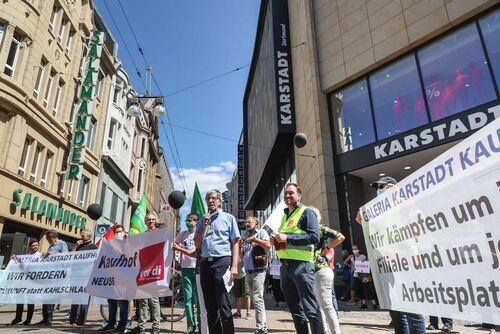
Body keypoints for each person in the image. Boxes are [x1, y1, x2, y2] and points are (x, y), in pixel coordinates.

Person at [356, 176, 426, 334]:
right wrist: (362, 221)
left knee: (412, 307)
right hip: (386, 261)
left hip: (406, 259)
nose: (379, 190)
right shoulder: (377, 210)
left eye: (383, 187)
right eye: (378, 188)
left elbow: (420, 218)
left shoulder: (402, 201)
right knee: (396, 308)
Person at [272, 183, 324, 334]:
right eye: (286, 194)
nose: (287, 196)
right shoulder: (284, 216)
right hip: (285, 267)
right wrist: (276, 240)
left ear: (299, 196)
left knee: (310, 308)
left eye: (291, 193)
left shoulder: (306, 212)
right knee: (295, 310)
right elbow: (284, 241)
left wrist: (287, 238)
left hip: (302, 266)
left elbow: (314, 237)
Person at [194, 189, 240, 334]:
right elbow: (196, 243)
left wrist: (234, 266)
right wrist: (204, 226)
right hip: (205, 264)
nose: (211, 201)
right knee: (210, 307)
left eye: (214, 198)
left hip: (222, 262)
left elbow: (235, 242)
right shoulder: (202, 220)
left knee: (223, 304)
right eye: (208, 198)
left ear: (220, 201)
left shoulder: (228, 218)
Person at [310, 207, 344, 334]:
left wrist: (327, 248)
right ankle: (323, 330)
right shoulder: (305, 232)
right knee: (319, 305)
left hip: (322, 270)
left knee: (327, 305)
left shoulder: (320, 228)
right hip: (313, 271)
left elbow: (340, 237)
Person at [131, 213, 161, 334]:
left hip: (154, 271)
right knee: (143, 301)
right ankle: (142, 326)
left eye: (153, 219)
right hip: (143, 271)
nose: (151, 221)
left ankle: (156, 327)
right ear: (145, 221)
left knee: (154, 301)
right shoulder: (142, 235)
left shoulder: (159, 233)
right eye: (148, 220)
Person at [241, 216, 271, 334]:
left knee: (258, 299)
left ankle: (261, 328)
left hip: (259, 271)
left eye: (249, 221)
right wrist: (240, 245)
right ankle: (263, 325)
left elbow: (268, 245)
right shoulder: (245, 237)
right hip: (248, 271)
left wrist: (254, 240)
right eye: (246, 222)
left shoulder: (261, 232)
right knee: (255, 299)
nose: (247, 223)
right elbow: (242, 256)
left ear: (256, 223)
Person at [98, 225, 130, 333]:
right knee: (111, 301)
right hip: (112, 276)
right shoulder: (112, 244)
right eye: (117, 232)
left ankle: (122, 325)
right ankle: (111, 323)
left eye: (120, 231)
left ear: (124, 231)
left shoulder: (129, 242)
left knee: (122, 302)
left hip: (124, 277)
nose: (119, 233)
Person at [173, 214, 201, 334]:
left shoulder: (199, 233)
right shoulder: (183, 234)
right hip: (185, 269)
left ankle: (201, 323)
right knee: (188, 298)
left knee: (199, 298)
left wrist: (179, 249)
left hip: (198, 268)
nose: (188, 223)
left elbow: (195, 252)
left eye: (190, 221)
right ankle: (191, 325)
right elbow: (174, 243)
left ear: (196, 221)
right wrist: (175, 246)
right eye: (187, 220)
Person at [37, 230, 68, 327]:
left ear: (52, 237)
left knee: (51, 297)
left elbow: (66, 256)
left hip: (56, 276)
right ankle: (44, 318)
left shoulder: (62, 244)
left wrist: (51, 254)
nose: (46, 240)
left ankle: (49, 319)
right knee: (45, 297)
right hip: (48, 275)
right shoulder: (51, 246)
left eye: (47, 238)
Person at [9, 239, 41, 326]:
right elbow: (21, 266)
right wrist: (15, 259)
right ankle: (18, 317)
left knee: (30, 301)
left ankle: (28, 319)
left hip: (33, 282)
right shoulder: (26, 256)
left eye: (36, 245)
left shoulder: (40, 256)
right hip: (23, 281)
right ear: (30, 247)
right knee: (19, 300)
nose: (35, 247)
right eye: (33, 245)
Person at [69, 230, 97, 326]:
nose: (81, 237)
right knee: (75, 297)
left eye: (83, 235)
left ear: (88, 237)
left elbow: (94, 261)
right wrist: (76, 246)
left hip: (86, 276)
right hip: (75, 275)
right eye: (81, 235)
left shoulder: (93, 247)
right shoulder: (78, 246)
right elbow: (71, 256)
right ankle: (72, 319)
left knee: (84, 298)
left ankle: (81, 319)